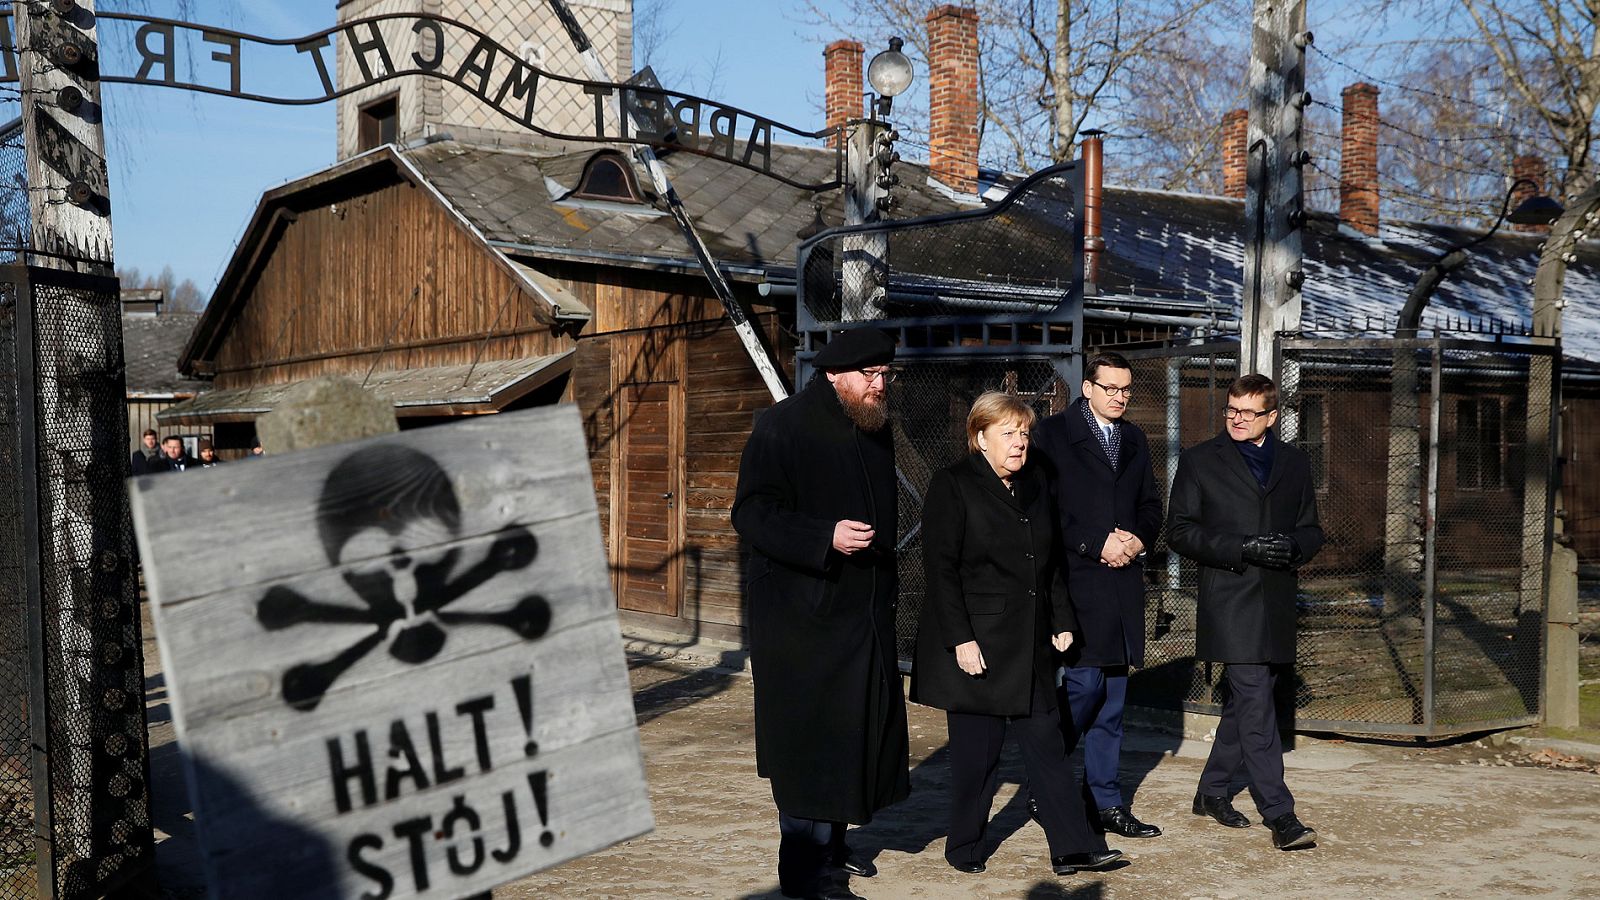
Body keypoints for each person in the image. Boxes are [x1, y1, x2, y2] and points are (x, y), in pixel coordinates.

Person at [911, 391, 1124, 879]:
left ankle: (1073, 848)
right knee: (977, 759)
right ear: (979, 437)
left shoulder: (1033, 483)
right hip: (979, 648)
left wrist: (1063, 620)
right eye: (1008, 433)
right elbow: (940, 570)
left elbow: (1047, 563)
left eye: (1024, 433)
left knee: (1048, 749)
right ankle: (964, 846)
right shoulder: (952, 485)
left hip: (1029, 647)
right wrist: (960, 640)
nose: (1019, 443)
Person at [731, 328, 909, 900]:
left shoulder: (872, 425)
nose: (879, 385)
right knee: (809, 748)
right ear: (834, 374)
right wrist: (823, 536)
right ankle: (806, 877)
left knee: (851, 739)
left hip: (861, 618)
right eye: (868, 376)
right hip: (800, 619)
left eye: (886, 375)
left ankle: (833, 847)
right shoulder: (782, 426)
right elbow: (752, 513)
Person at [1166, 373, 1325, 851]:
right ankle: (1281, 814)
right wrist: (1242, 546)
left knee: (1245, 705)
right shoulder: (1198, 461)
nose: (1237, 419)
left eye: (1249, 412)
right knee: (1257, 704)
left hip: (1275, 601)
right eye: (1232, 410)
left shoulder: (1295, 463)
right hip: (1230, 601)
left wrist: (1292, 546)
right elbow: (1179, 531)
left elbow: (1312, 529)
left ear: (1272, 417)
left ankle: (1212, 791)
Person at [1031, 351, 1164, 839]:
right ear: (1087, 387)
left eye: (1126, 389)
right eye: (1109, 388)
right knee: (1085, 686)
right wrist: (1095, 541)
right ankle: (1046, 778)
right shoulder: (1052, 435)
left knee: (1112, 699)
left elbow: (1151, 504)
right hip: (1076, 581)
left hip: (1122, 583)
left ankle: (1105, 803)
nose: (1119, 396)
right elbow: (1043, 509)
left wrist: (1137, 538)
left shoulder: (1133, 438)